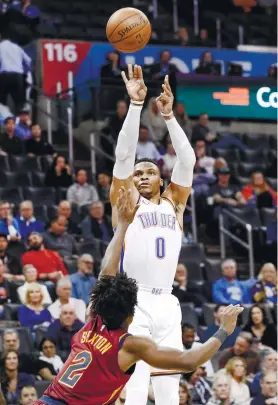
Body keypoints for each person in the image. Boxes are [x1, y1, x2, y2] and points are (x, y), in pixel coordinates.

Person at [34, 187, 243, 405]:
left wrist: (123, 225)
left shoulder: (91, 321)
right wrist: (224, 330)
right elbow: (188, 361)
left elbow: (107, 271)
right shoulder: (131, 345)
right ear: (131, 315)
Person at [110, 65, 196, 405]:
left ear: (161, 179)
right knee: (135, 386)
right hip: (136, 299)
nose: (143, 176)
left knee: (168, 391)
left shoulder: (175, 204)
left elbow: (186, 159)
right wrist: (135, 107)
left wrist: (169, 116)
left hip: (167, 302)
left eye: (150, 172)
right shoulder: (126, 203)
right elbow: (123, 155)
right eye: (138, 174)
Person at [0, 37, 31, 114]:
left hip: (4, 75)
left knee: (2, 102)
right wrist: (25, 72)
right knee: (19, 103)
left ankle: (4, 122)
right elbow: (28, 61)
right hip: (18, 76)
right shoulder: (17, 47)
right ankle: (19, 123)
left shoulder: (0, 46)